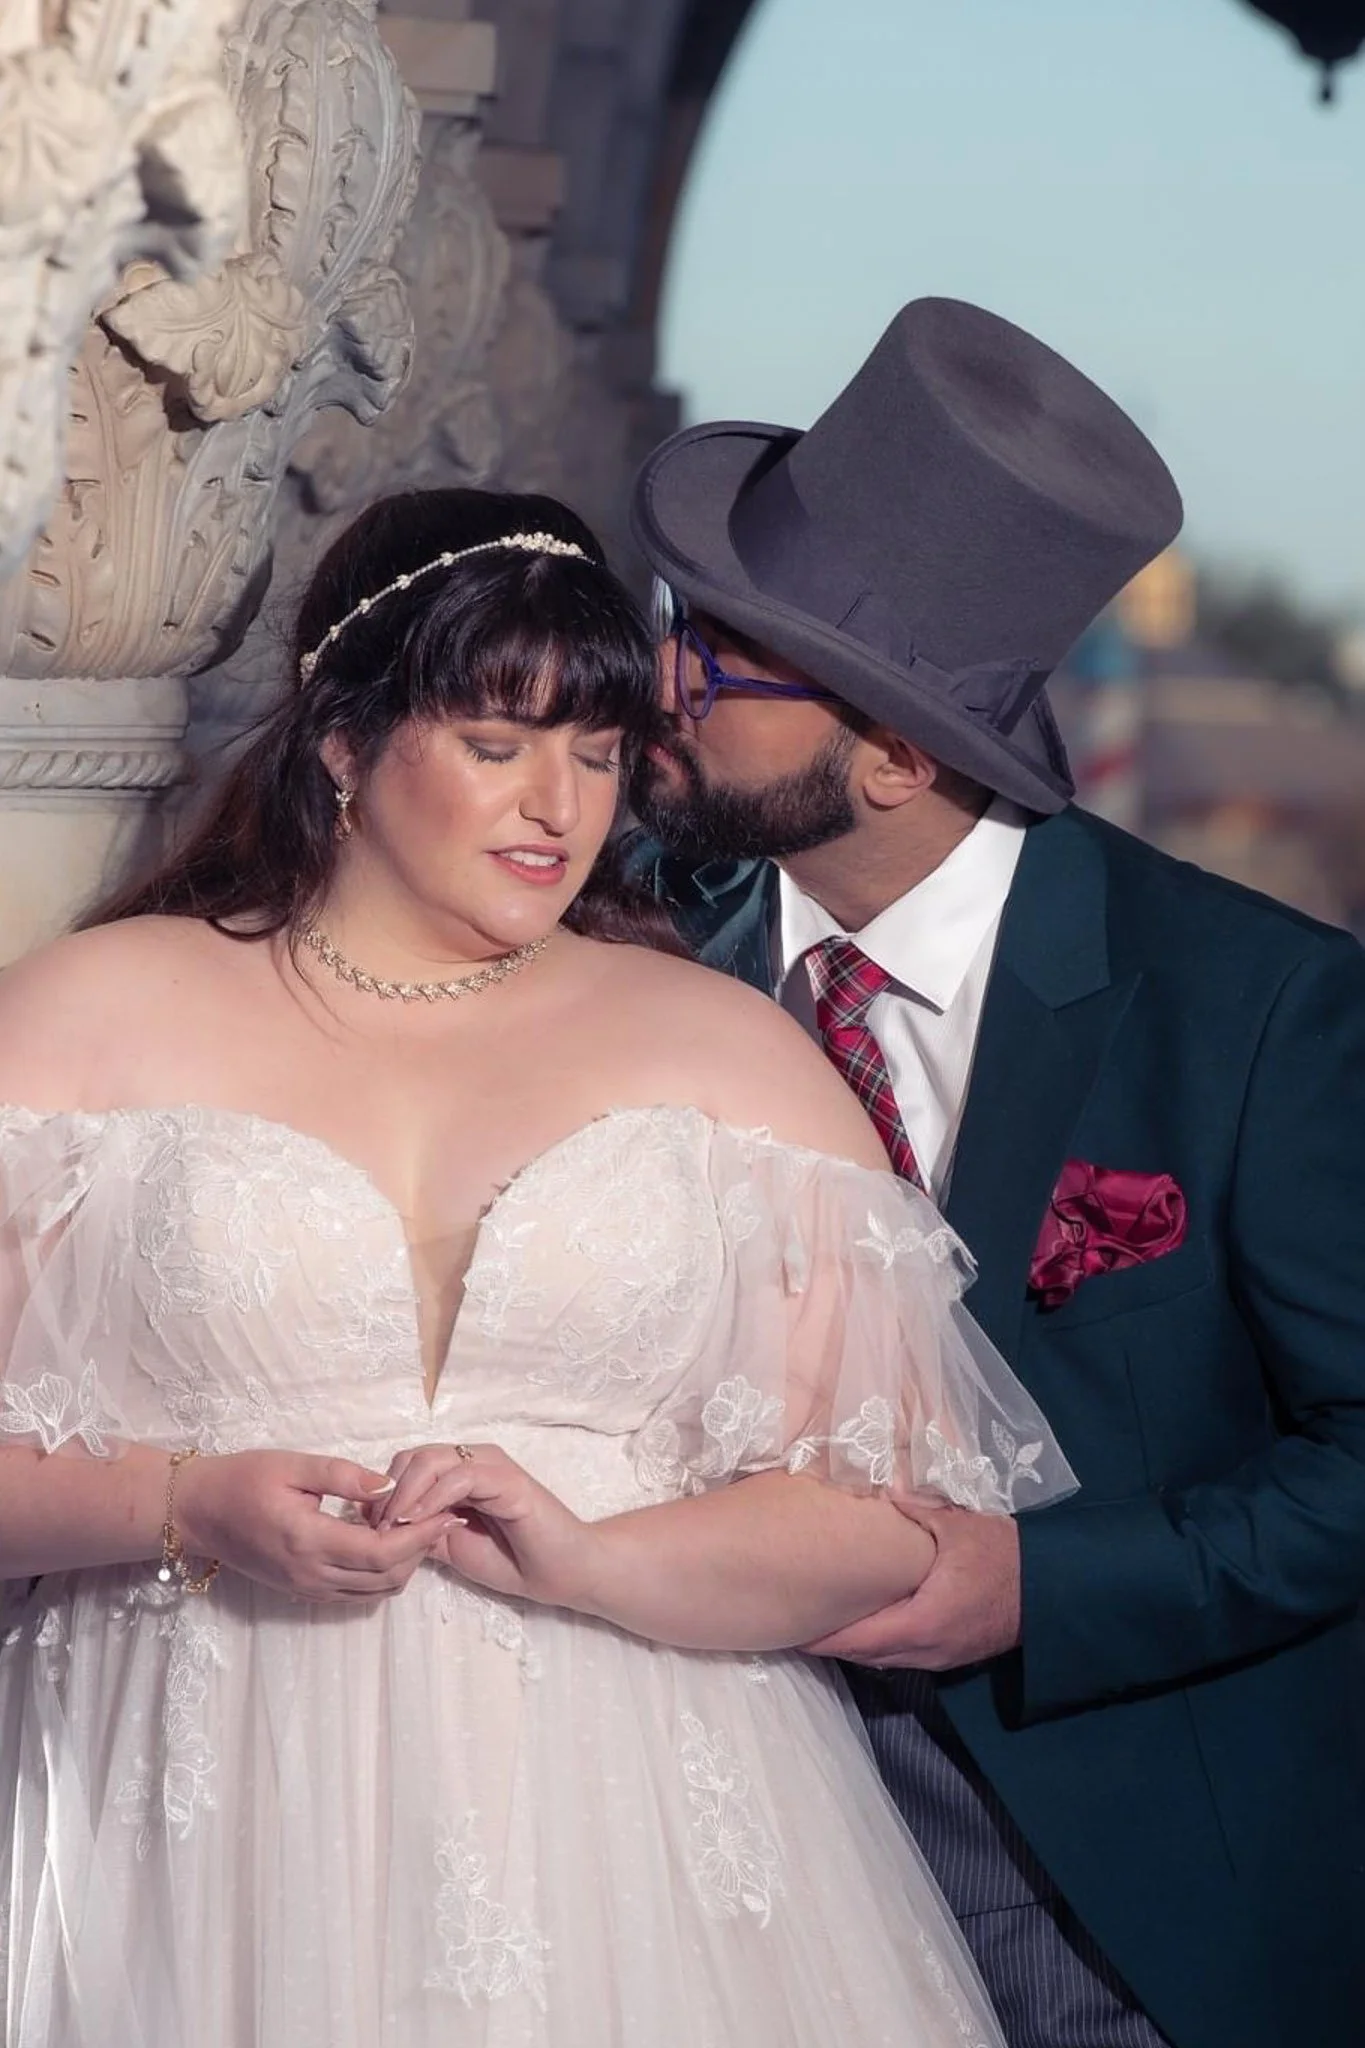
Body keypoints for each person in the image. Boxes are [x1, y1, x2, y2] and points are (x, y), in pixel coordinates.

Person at [0, 486, 1078, 2048]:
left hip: (640, 1830)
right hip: (188, 1811)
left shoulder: (727, 1049)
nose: (557, 807)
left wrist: (596, 1560)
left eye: (596, 752)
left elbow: (886, 1520)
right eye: (497, 744)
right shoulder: (88, 1015)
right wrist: (183, 1504)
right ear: (344, 742)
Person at [625, 295, 1365, 2048]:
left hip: (1122, 1907)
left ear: (896, 754)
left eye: (726, 659)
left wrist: (1044, 1586)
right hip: (702, 1866)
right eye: (679, 626)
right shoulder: (636, 973)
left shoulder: (1258, 1010)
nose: (663, 686)